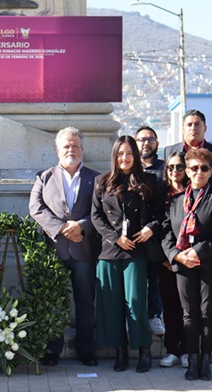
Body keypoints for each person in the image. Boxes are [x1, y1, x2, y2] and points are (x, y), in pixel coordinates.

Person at [91, 135, 164, 372]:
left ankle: (143, 350)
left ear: (135, 155)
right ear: (114, 155)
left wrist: (149, 228)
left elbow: (160, 214)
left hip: (137, 250)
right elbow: (96, 216)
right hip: (110, 252)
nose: (125, 158)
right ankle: (119, 351)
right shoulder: (101, 182)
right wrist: (115, 238)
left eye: (129, 153)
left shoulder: (149, 181)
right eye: (120, 153)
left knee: (135, 301)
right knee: (111, 305)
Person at [29, 127, 100, 367]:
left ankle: (86, 349)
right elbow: (36, 208)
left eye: (76, 146)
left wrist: (81, 226)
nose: (71, 150)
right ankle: (52, 349)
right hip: (54, 249)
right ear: (58, 150)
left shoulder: (97, 179)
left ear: (82, 149)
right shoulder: (44, 177)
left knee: (85, 301)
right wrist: (61, 228)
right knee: (55, 301)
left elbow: (101, 213)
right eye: (67, 146)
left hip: (84, 249)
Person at [162, 148, 212, 381]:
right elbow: (167, 232)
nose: (198, 172)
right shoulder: (177, 201)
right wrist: (177, 255)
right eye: (193, 168)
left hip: (210, 264)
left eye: (204, 168)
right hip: (183, 264)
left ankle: (206, 361)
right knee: (188, 314)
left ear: (211, 171)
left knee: (206, 312)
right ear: (187, 171)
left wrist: (197, 251)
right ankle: (193, 359)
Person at [158, 152, 189, 369]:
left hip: (188, 259)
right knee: (170, 307)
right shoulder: (160, 194)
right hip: (165, 260)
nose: (175, 171)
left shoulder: (192, 193)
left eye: (179, 167)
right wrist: (168, 256)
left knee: (188, 307)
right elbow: (158, 225)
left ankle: (188, 349)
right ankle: (172, 350)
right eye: (170, 168)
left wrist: (181, 256)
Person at [135, 126, 166, 337]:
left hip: (157, 232)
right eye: (141, 139)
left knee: (155, 279)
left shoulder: (165, 169)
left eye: (150, 139)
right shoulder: (129, 169)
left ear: (157, 143)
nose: (146, 143)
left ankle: (156, 316)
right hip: (132, 236)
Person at [163, 109, 212, 194]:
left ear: (205, 128)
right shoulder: (169, 151)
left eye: (197, 124)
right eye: (189, 125)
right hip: (177, 203)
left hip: (209, 203)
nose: (193, 128)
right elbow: (165, 183)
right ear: (183, 129)